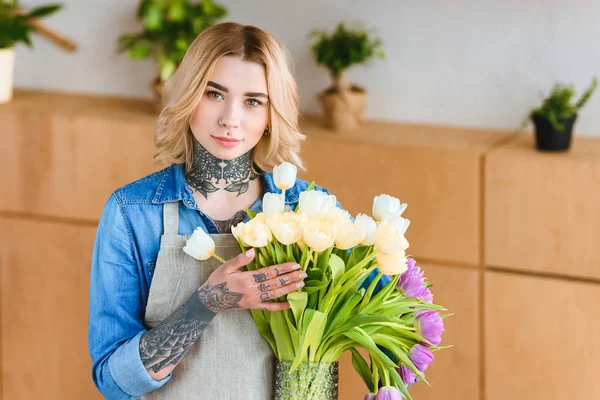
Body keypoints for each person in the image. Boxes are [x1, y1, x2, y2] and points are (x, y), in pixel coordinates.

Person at [88, 22, 388, 400]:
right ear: (189, 96)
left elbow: (381, 315)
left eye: (253, 101)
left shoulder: (312, 211)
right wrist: (207, 303)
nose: (231, 118)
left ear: (270, 115)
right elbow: (114, 383)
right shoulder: (132, 214)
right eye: (214, 93)